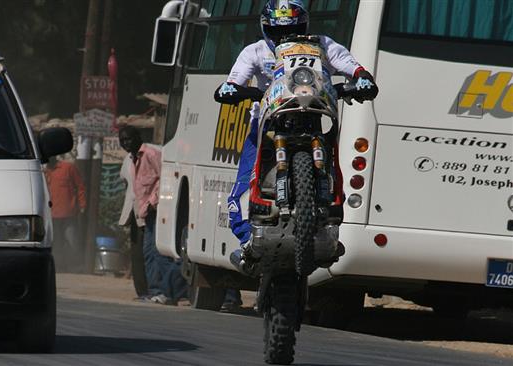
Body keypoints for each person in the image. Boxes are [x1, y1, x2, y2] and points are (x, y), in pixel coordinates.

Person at [213, 0, 378, 268]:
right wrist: (232, 89)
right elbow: (234, 81)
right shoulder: (255, 51)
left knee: (337, 166)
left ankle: (330, 223)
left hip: (313, 113)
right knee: (240, 190)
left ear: (304, 26)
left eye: (292, 29)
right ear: (266, 28)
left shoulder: (322, 44)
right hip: (268, 123)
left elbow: (350, 65)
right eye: (278, 31)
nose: (285, 37)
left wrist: (362, 78)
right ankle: (246, 242)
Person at [118, 125, 187, 305]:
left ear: (138, 137)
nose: (126, 143)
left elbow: (167, 177)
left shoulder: (151, 154)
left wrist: (153, 201)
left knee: (160, 253)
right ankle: (157, 291)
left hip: (159, 209)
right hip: (145, 213)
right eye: (122, 140)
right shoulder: (131, 160)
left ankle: (174, 287)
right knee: (149, 253)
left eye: (129, 138)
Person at [45, 155, 87, 271]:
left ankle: (76, 266)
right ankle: (59, 266)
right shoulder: (44, 172)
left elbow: (80, 186)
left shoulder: (68, 168)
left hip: (69, 213)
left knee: (72, 240)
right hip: (51, 215)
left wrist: (82, 205)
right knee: (56, 242)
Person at [119, 154, 148, 298]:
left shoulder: (151, 157)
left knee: (148, 253)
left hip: (149, 212)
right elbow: (124, 180)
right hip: (134, 212)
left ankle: (152, 289)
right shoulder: (127, 159)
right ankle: (141, 291)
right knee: (137, 253)